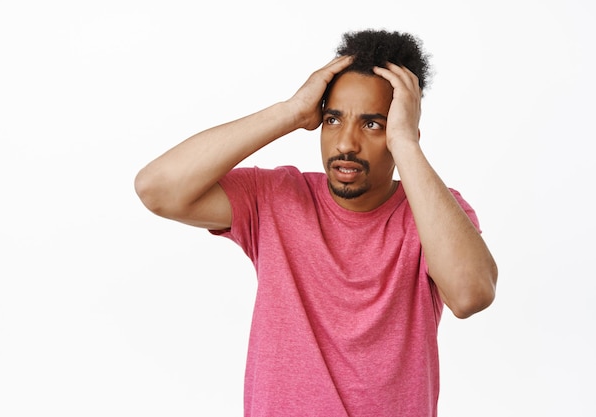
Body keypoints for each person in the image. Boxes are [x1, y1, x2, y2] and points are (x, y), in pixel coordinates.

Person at [134, 28, 498, 417]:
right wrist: (290, 111)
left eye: (372, 124)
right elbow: (157, 189)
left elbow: (470, 294)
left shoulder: (434, 212)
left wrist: (407, 145)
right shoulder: (276, 196)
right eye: (333, 119)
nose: (345, 143)